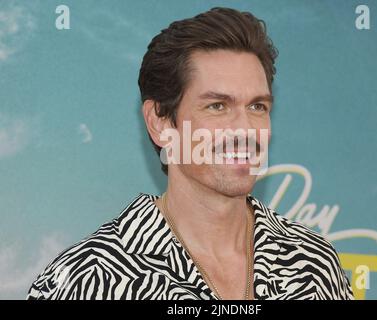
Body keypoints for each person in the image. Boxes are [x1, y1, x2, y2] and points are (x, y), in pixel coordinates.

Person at [27, 7, 353, 300]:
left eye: (257, 106)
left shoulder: (314, 264)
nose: (244, 130)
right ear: (160, 122)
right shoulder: (87, 279)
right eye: (217, 106)